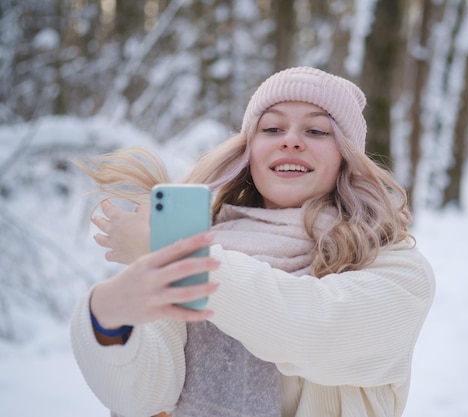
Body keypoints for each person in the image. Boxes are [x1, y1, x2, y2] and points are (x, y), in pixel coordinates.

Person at [71, 66, 435, 417]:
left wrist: (173, 254)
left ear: (346, 157)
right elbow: (144, 397)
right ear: (249, 151)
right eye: (273, 128)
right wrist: (106, 316)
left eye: (317, 132)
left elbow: (309, 329)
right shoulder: (207, 244)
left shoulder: (395, 269)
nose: (291, 140)